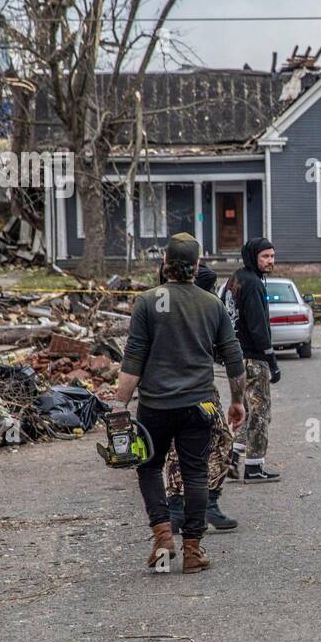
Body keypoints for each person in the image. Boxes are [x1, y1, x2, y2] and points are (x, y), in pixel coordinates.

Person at [116, 233, 247, 573]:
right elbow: (234, 359)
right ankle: (192, 550)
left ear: (164, 264)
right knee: (195, 473)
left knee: (148, 467)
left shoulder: (146, 302)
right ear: (197, 266)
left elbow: (134, 359)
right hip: (199, 404)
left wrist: (119, 404)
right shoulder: (211, 304)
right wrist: (238, 401)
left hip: (154, 406)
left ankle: (162, 537)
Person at [164, 262, 238, 533]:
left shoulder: (164, 305)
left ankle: (176, 508)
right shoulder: (207, 310)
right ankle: (207, 504)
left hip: (166, 390)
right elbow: (228, 353)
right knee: (221, 442)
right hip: (199, 390)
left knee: (176, 445)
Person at [221, 237, 281, 482]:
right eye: (265, 256)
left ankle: (233, 459)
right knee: (260, 412)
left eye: (272, 256)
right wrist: (272, 361)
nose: (270, 261)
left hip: (236, 359)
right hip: (253, 359)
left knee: (244, 410)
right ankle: (255, 467)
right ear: (253, 257)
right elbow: (259, 327)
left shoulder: (234, 279)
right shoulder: (253, 283)